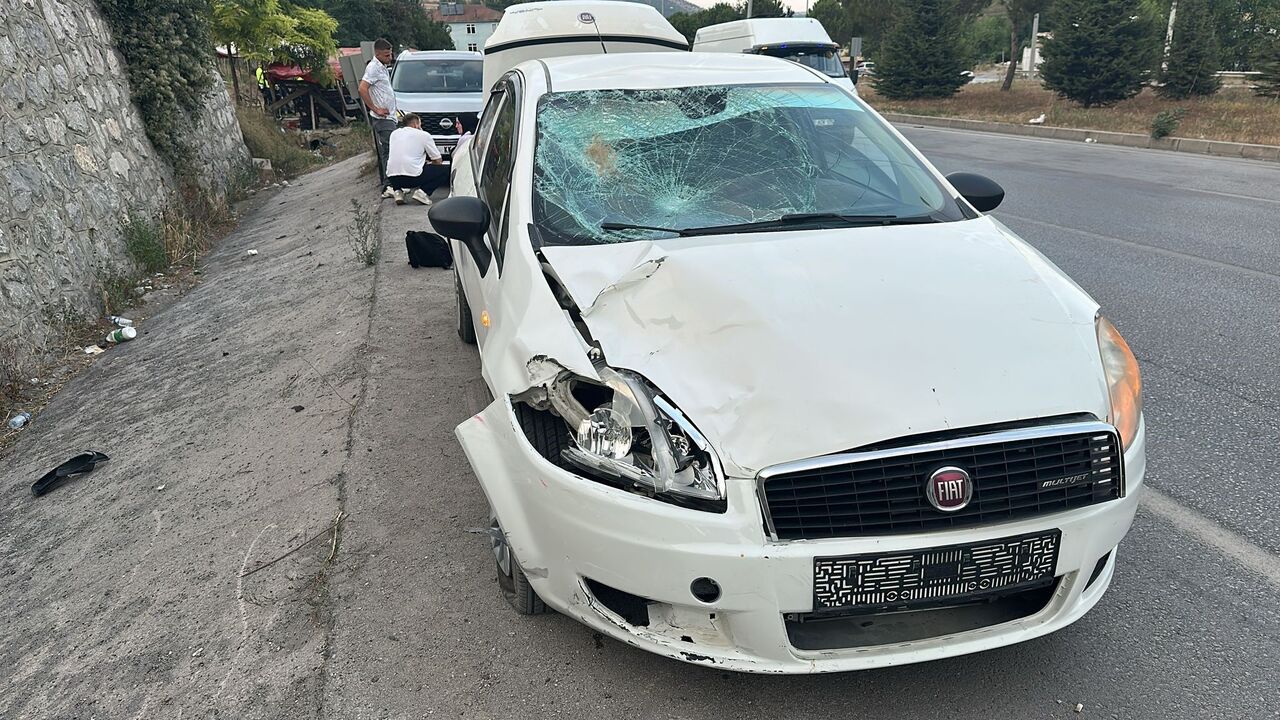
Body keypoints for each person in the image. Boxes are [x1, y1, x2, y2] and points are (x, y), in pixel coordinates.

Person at [359, 38, 398, 196]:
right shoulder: (373, 68)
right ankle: (389, 185)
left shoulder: (383, 68)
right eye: (387, 55)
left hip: (391, 116)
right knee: (389, 150)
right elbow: (362, 89)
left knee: (391, 149)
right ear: (378, 53)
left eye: (391, 54)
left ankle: (393, 182)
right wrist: (375, 108)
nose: (390, 58)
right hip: (383, 118)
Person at [386, 114, 449, 205]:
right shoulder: (423, 135)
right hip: (412, 178)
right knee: (445, 170)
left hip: (392, 178)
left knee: (398, 165)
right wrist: (430, 164)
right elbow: (438, 160)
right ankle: (423, 193)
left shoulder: (394, 134)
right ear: (416, 124)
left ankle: (398, 192)